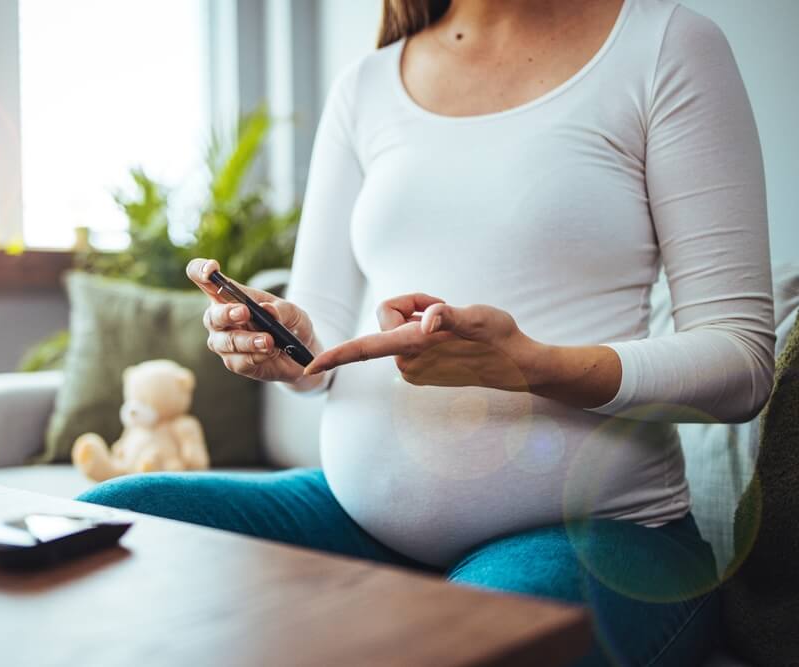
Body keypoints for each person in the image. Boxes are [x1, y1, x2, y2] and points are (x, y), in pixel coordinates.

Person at [79, 0, 775, 663]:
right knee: (98, 529)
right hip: (355, 520)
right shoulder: (367, 85)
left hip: (600, 534)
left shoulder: (666, 47)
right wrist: (284, 350)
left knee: (455, 641)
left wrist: (532, 364)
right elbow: (315, 355)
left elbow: (741, 363)